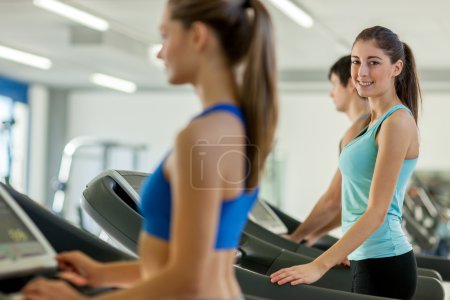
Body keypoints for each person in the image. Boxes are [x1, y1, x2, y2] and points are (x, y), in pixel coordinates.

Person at [22, 0, 278, 299]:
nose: (160, 52)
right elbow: (184, 266)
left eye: (165, 36)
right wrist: (101, 273)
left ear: (197, 36)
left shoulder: (202, 136)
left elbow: (187, 282)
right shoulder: (235, 126)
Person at [271, 25, 421, 300]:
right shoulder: (372, 123)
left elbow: (377, 212)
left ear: (396, 68)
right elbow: (355, 201)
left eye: (373, 63)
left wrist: (319, 265)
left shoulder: (397, 122)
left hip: (385, 263)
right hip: (364, 258)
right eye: (356, 62)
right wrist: (347, 248)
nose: (361, 72)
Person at [286, 55, 370, 247]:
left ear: (350, 84)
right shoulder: (372, 124)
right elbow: (359, 204)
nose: (331, 94)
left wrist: (294, 238)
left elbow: (334, 201)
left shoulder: (357, 131)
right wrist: (317, 232)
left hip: (368, 249)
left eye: (334, 84)